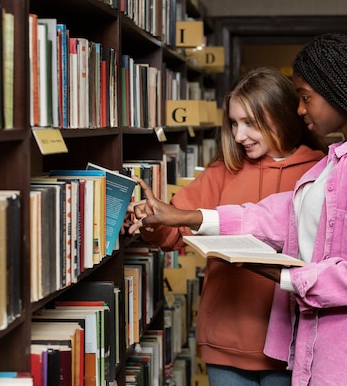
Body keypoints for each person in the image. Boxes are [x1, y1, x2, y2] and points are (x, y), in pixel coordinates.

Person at [128, 33, 347, 386]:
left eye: (306, 97)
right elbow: (275, 216)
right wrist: (183, 216)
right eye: (234, 123)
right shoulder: (335, 163)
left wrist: (286, 277)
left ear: (338, 92)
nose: (301, 109)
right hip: (321, 350)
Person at [126, 66, 325, 386]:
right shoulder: (224, 169)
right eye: (233, 123)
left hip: (292, 343)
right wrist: (150, 220)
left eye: (250, 123)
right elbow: (174, 228)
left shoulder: (319, 169)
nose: (238, 135)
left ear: (283, 115)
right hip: (225, 340)